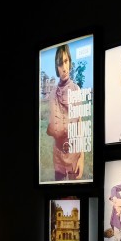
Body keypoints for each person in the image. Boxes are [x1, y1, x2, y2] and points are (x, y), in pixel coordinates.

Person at [45, 43, 85, 181]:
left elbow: (79, 124)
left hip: (73, 154)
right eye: (60, 63)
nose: (64, 67)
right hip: (58, 156)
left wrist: (81, 157)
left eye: (66, 61)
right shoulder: (52, 94)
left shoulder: (76, 90)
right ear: (57, 67)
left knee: (74, 191)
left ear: (70, 61)